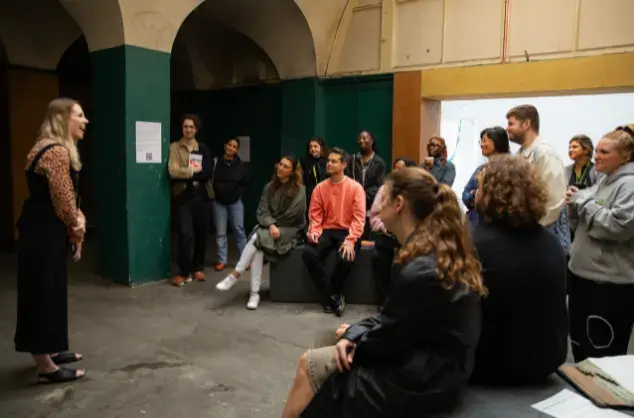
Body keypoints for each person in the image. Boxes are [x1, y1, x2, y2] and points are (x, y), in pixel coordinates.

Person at [282, 167, 486, 418]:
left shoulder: (418, 267)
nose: (377, 207)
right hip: (439, 371)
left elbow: (389, 338)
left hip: (421, 383)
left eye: (384, 198)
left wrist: (355, 340)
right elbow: (399, 321)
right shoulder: (435, 250)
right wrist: (356, 332)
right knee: (334, 338)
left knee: (309, 363)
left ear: (399, 204)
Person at [470, 155, 568, 384]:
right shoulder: (552, 243)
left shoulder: (474, 245)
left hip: (488, 366)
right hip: (547, 362)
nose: (475, 193)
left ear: (490, 195)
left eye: (480, 187)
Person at [14, 98, 88, 384]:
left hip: (43, 228)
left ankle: (52, 349)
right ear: (62, 119)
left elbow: (67, 195)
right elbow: (63, 199)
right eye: (79, 116)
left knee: (51, 288)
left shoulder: (47, 145)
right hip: (43, 231)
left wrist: (74, 221)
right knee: (42, 291)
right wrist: (76, 228)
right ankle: (45, 364)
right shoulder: (56, 151)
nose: (85, 121)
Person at [566, 125, 634, 362]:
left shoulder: (629, 185)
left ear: (626, 156)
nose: (597, 156)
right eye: (598, 151)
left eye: (605, 152)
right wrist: (574, 205)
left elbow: (618, 227)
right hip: (583, 278)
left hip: (608, 286)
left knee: (602, 356)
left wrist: (585, 202)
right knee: (582, 349)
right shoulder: (604, 181)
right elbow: (582, 225)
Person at [216, 154, 306, 310]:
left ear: (292, 171)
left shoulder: (300, 190)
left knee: (257, 238)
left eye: (286, 166)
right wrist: (270, 224)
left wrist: (272, 224)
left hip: (289, 230)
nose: (281, 168)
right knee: (258, 248)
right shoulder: (269, 187)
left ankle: (236, 275)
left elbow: (294, 215)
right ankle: (254, 293)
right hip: (270, 228)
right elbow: (262, 211)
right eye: (280, 164)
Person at [302, 147, 365, 316]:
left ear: (344, 164)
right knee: (308, 253)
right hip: (327, 230)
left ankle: (333, 294)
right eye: (328, 161)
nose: (328, 164)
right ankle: (332, 295)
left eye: (334, 161)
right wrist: (314, 230)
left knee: (346, 258)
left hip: (347, 230)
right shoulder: (320, 188)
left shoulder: (355, 188)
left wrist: (351, 240)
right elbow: (315, 215)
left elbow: (359, 218)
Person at [506, 104, 570, 252]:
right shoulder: (520, 154)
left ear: (526, 124)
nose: (507, 128)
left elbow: (555, 200)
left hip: (543, 234)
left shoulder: (545, 153)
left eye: (511, 123)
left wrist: (535, 229)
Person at [168, 114, 214, 286]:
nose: (188, 129)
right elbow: (172, 171)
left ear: (196, 129)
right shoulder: (174, 148)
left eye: (191, 127)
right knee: (184, 234)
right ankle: (184, 272)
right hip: (183, 196)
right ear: (182, 128)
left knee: (202, 233)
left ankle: (198, 268)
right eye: (185, 126)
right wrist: (191, 171)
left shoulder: (203, 148)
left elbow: (207, 172)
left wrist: (185, 172)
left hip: (202, 195)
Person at [368, 157, 416, 309]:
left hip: (409, 239)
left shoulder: (415, 191)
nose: (397, 171)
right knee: (378, 257)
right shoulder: (384, 189)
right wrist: (385, 227)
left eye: (401, 168)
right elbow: (374, 215)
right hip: (386, 236)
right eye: (395, 167)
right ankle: (383, 304)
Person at [212, 137, 249, 272]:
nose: (231, 148)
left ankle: (244, 260)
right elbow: (211, 180)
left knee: (239, 230)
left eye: (234, 146)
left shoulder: (241, 165)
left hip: (235, 202)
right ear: (225, 146)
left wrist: (237, 195)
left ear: (236, 150)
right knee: (220, 233)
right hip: (218, 203)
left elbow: (245, 183)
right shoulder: (216, 162)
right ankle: (221, 260)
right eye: (229, 145)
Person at [461, 126, 510, 228]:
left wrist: (475, 192)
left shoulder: (509, 169)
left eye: (485, 141)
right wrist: (476, 194)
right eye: (481, 141)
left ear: (497, 142)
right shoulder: (481, 168)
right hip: (475, 223)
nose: (481, 144)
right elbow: (465, 194)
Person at [347, 130, 387, 239]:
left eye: (364, 138)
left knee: (365, 242)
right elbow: (348, 180)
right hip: (352, 207)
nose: (361, 140)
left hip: (369, 208)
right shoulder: (352, 159)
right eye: (359, 138)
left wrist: (362, 196)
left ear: (372, 141)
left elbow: (378, 186)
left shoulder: (379, 162)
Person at [301, 137, 328, 213]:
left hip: (324, 195)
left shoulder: (327, 162)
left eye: (315, 146)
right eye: (310, 146)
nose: (313, 149)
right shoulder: (304, 162)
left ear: (321, 148)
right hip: (309, 196)